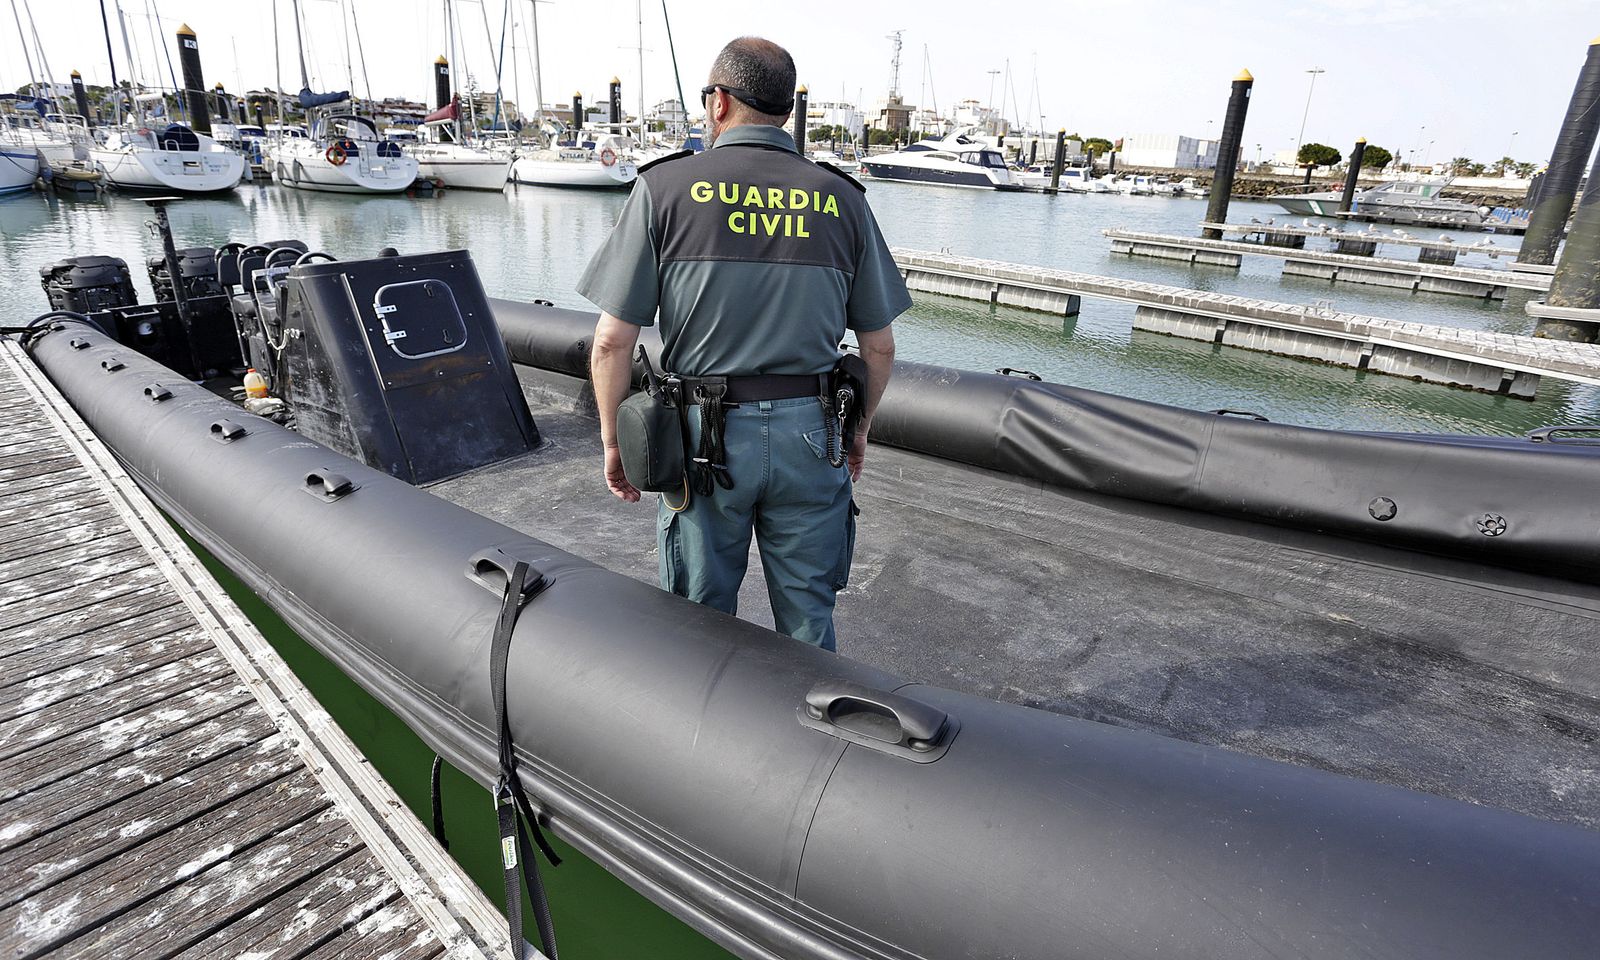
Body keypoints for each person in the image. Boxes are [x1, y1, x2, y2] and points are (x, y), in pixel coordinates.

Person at [577, 36, 908, 652]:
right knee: (809, 620)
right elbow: (880, 348)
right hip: (814, 434)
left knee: (699, 621)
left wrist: (613, 442)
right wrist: (856, 430)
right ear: (786, 109)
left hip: (702, 439)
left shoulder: (664, 188)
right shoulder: (843, 198)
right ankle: (811, 712)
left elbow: (611, 343)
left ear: (719, 103)